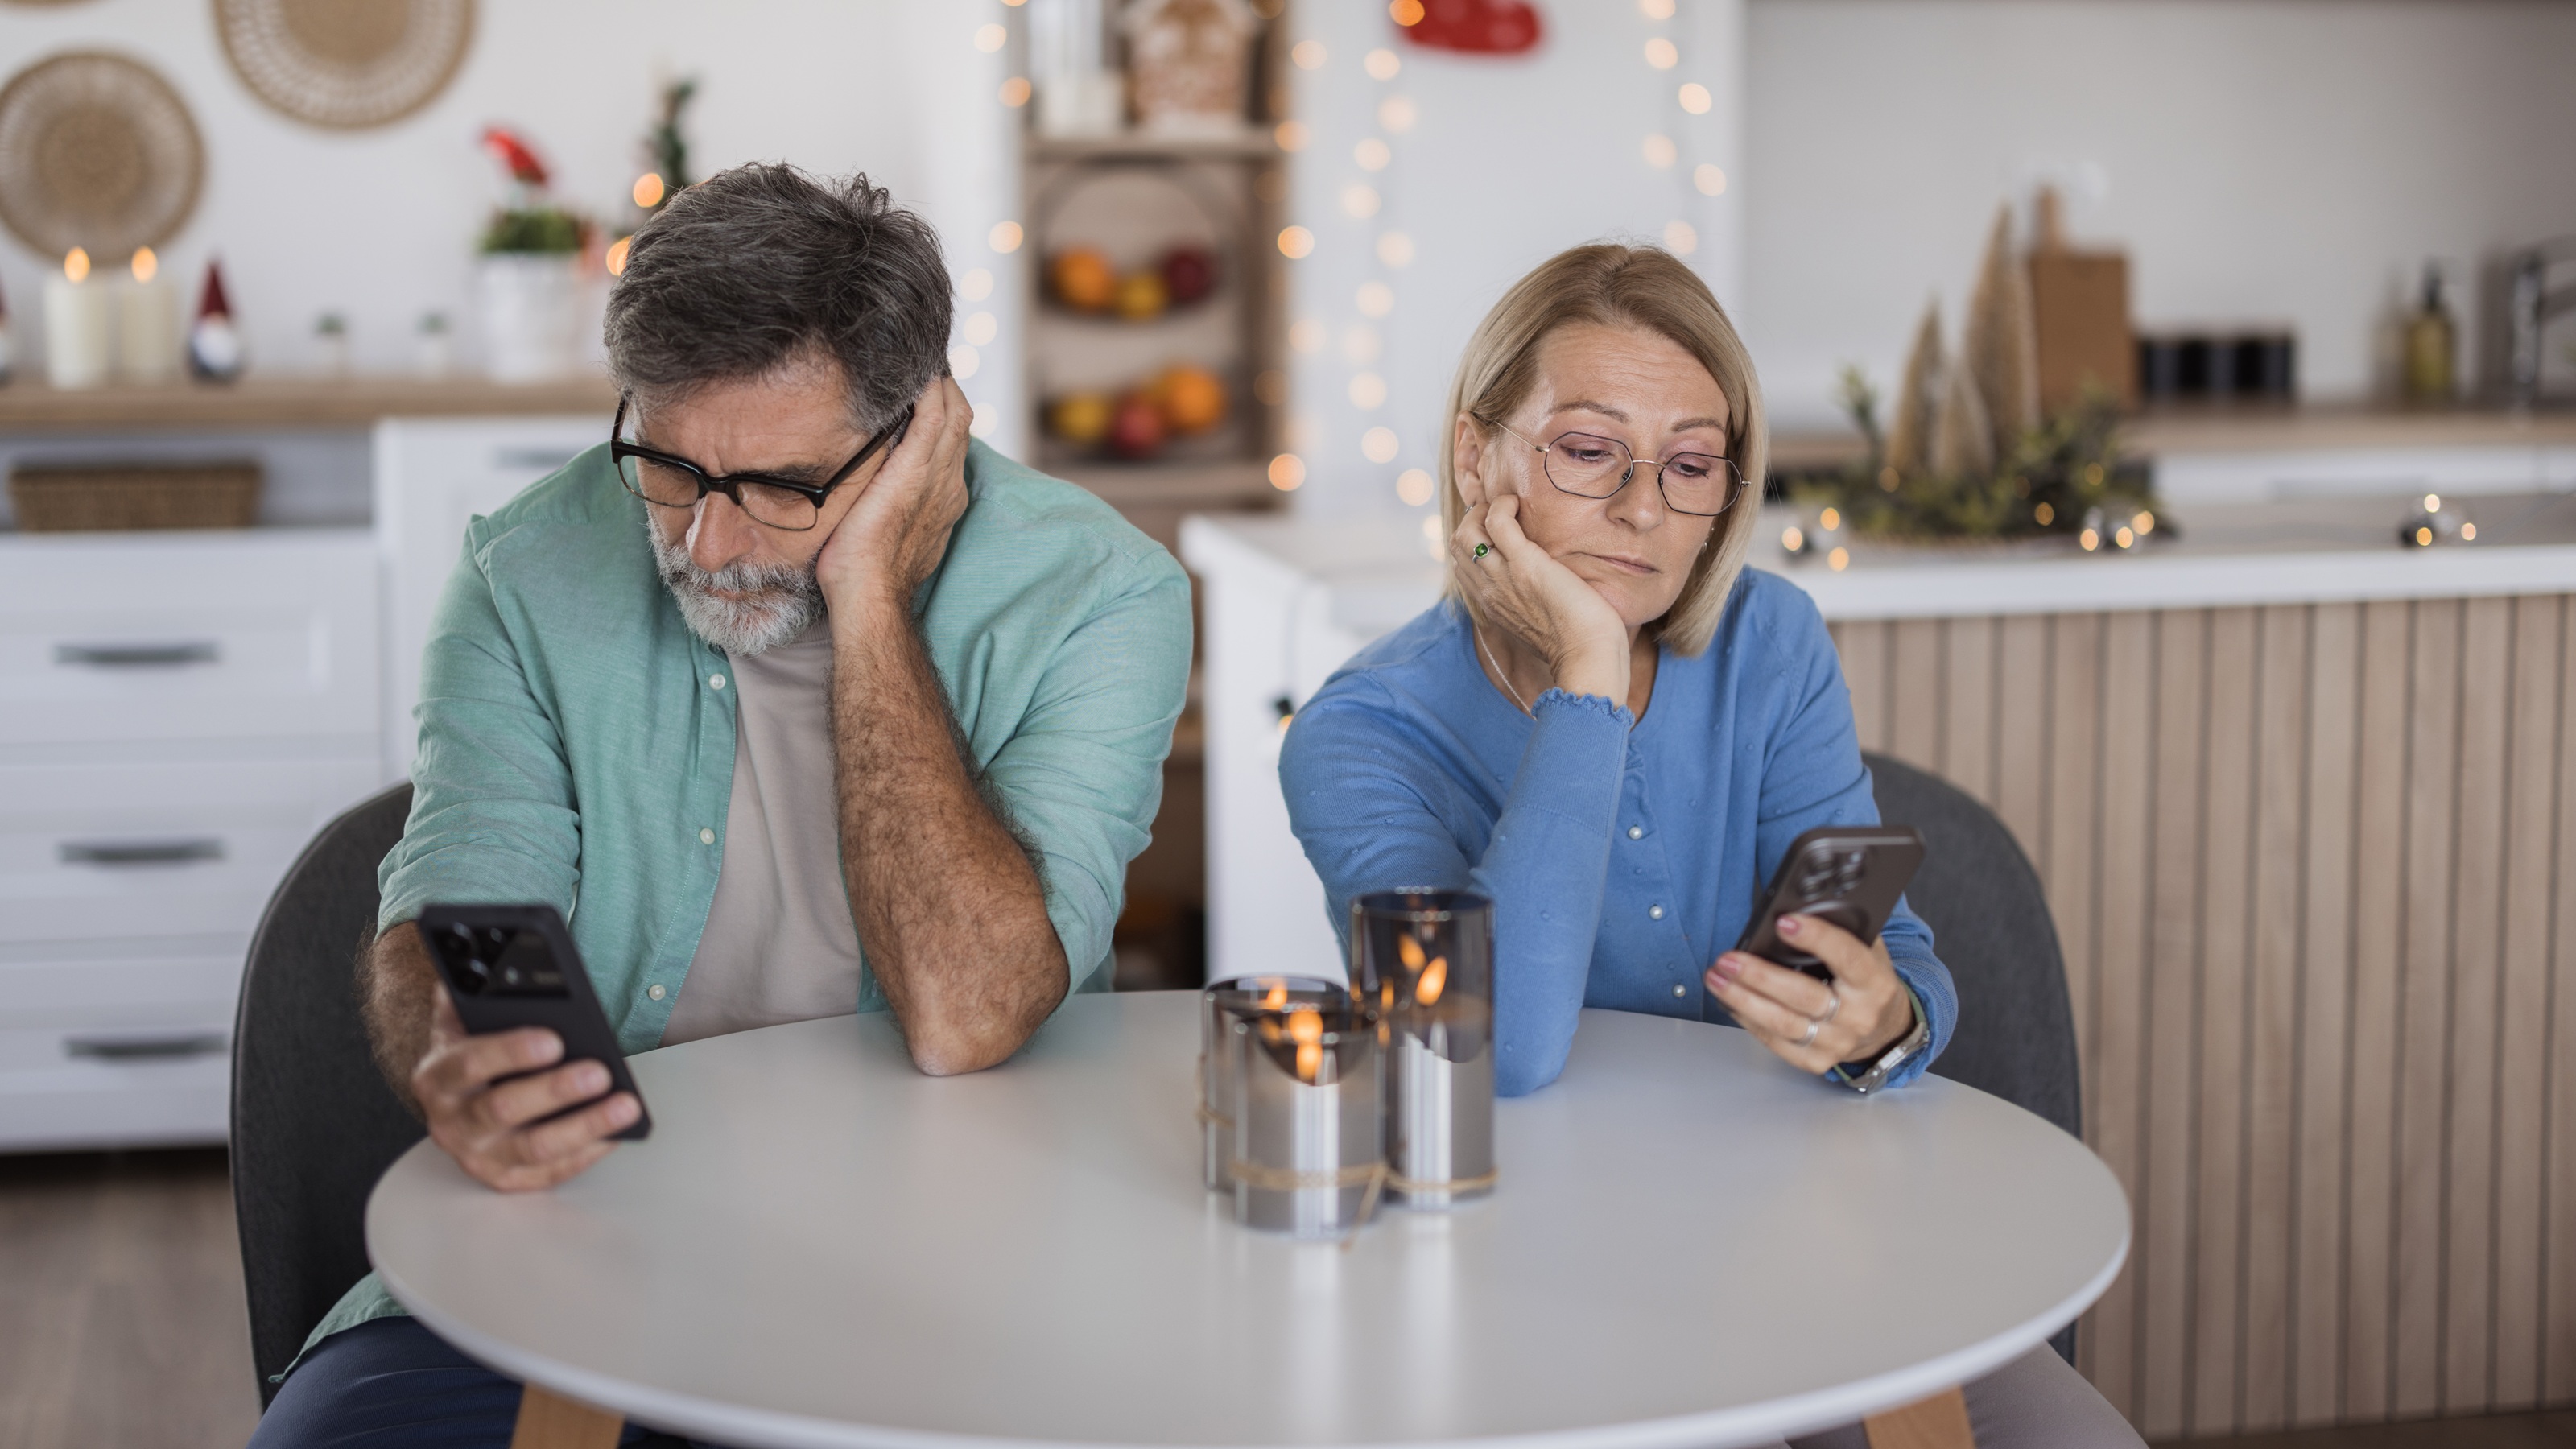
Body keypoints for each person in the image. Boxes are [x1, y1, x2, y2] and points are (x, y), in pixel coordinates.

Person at [250, 165, 1192, 1447]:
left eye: (782, 490)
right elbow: (459, 887)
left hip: (954, 1264)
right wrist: (445, 1058)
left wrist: (871, 601)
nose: (706, 545)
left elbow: (968, 1014)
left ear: (920, 437)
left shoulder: (1099, 595)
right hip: (590, 1235)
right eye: (670, 468)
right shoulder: (525, 570)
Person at [1278, 243, 2142, 1448]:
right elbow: (1492, 1055)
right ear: (1478, 459)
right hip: (1532, 1279)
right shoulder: (1358, 735)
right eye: (1589, 451)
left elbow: (1896, 957)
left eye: (1691, 466)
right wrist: (1587, 675)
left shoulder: (1768, 644)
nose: (1645, 509)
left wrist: (1881, 1023)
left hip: (1800, 1231)